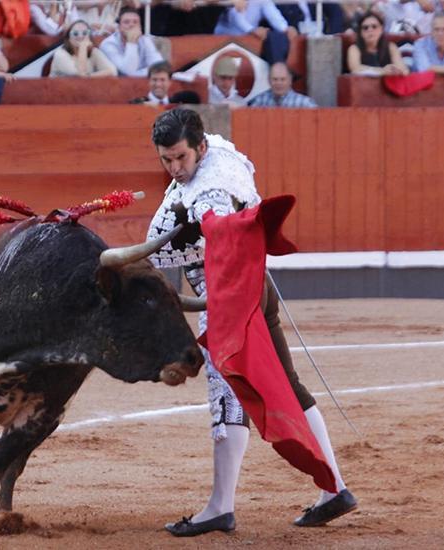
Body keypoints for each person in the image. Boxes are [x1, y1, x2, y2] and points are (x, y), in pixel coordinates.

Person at [146, 108, 356, 537]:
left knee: (228, 393)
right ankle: (334, 488)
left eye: (181, 158)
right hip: (257, 287)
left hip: (228, 296)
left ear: (199, 147)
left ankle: (220, 507)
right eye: (166, 160)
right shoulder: (222, 154)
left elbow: (221, 222)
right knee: (288, 384)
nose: (174, 168)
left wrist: (202, 229)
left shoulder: (210, 191)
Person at [100, 6, 165, 77]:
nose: (131, 25)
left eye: (135, 22)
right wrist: (131, 42)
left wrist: (141, 73)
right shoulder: (108, 44)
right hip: (119, 84)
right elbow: (128, 72)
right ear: (119, 27)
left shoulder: (145, 40)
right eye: (126, 22)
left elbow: (159, 66)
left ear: (140, 26)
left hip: (143, 82)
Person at [346, 11, 409, 76]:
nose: (370, 30)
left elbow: (403, 69)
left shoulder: (390, 46)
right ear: (360, 32)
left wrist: (396, 69)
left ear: (381, 29)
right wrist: (382, 71)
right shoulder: (354, 48)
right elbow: (355, 69)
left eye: (374, 26)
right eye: (365, 28)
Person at [49, 19, 117, 78]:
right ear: (68, 38)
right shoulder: (60, 54)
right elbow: (80, 75)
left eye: (85, 33)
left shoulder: (93, 52)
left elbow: (113, 71)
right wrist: (83, 47)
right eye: (75, 33)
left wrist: (89, 76)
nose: (80, 36)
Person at [248, 62, 317, 108]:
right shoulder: (259, 101)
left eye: (283, 79)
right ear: (269, 81)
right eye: (275, 79)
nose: (279, 83)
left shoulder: (304, 103)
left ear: (290, 80)